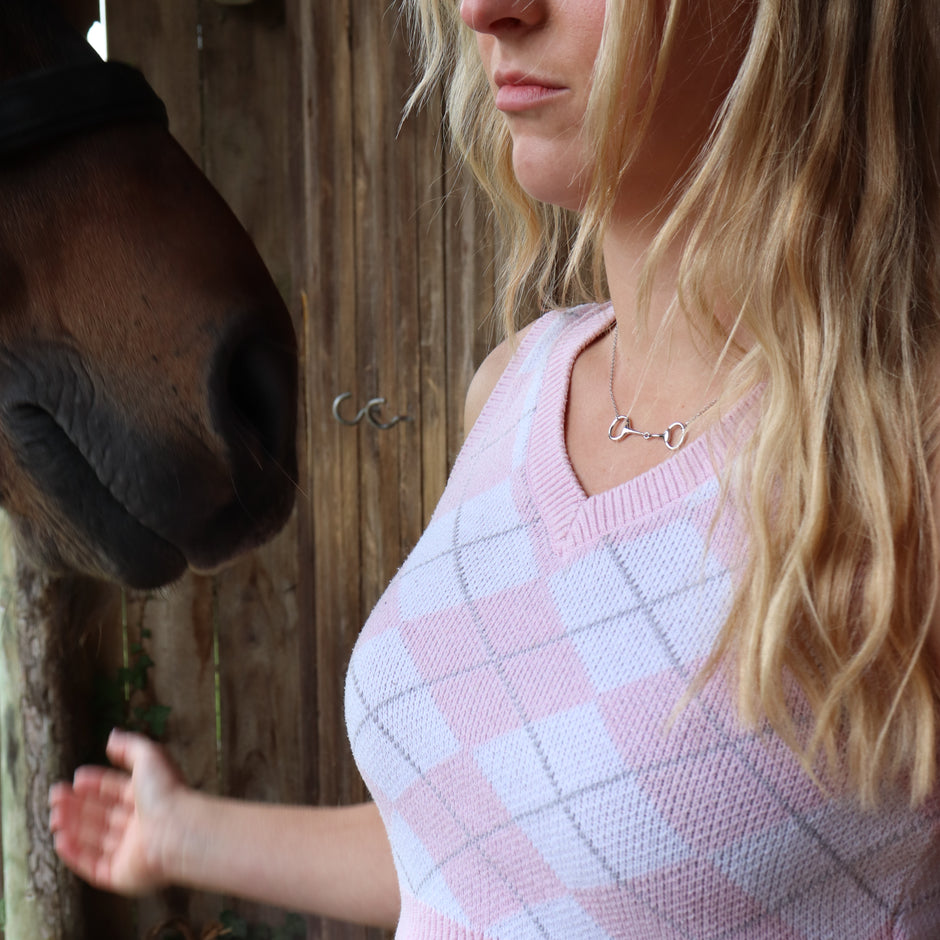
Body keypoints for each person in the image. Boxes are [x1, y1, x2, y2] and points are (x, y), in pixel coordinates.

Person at [50, 0, 940, 936]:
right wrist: (183, 834)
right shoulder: (516, 387)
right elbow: (487, 859)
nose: (487, 10)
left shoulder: (902, 460)